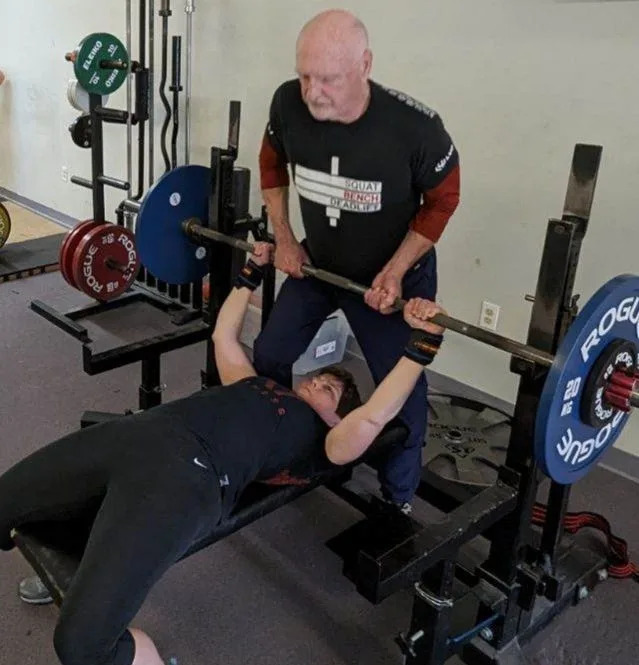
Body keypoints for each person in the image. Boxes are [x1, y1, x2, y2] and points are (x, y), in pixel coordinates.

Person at [0, 241, 447, 665]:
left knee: (82, 646)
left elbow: (371, 416)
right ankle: (76, 576)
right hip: (135, 434)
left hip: (186, 477)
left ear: (336, 417)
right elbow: (224, 338)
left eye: (330, 389)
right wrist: (251, 271)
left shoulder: (326, 442)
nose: (314, 382)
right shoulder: (255, 384)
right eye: (317, 377)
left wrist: (421, 346)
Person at [255, 9, 460, 514]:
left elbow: (444, 199)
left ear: (364, 65)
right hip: (319, 263)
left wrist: (395, 270)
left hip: (390, 281)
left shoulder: (415, 127)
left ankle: (397, 501)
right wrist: (284, 236)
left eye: (328, 79)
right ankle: (280, 449)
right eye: (305, 76)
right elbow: (269, 163)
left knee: (404, 396)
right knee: (269, 354)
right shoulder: (287, 102)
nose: (313, 92)